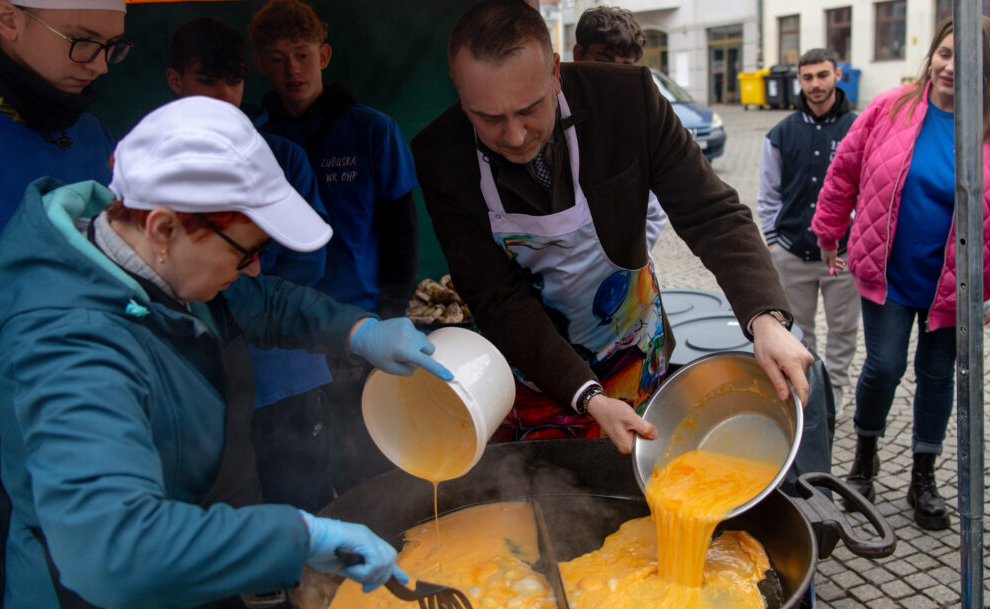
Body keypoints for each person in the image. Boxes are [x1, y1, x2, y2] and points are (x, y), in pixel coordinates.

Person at [0, 96, 452, 609]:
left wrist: (361, 331)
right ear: (164, 227)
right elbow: (117, 555)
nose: (257, 268)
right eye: (248, 252)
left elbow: (262, 299)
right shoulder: (71, 347)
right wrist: (301, 535)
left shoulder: (154, 261)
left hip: (196, 558)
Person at [412, 0, 813, 455]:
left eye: (529, 109)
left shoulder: (628, 100)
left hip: (634, 348)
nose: (516, 136)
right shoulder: (439, 154)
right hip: (533, 366)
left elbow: (711, 212)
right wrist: (587, 394)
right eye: (488, 118)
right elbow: (496, 298)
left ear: (556, 71)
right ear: (458, 89)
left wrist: (765, 317)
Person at [0, 0, 128, 609]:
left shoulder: (88, 133)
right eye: (82, 42)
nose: (97, 64)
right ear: (7, 17)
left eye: (114, 47)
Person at [812, 17, 990, 530]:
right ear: (932, 54)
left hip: (952, 286)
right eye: (945, 53)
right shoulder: (891, 106)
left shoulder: (985, 125)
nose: (952, 67)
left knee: (939, 378)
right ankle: (864, 462)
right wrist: (828, 233)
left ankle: (923, 476)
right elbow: (845, 168)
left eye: (967, 60)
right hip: (887, 270)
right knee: (885, 366)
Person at [167, 15, 337, 513]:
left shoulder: (283, 158)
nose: (223, 95)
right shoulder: (151, 162)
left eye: (234, 80)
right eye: (206, 80)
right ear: (175, 79)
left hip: (286, 368)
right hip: (201, 379)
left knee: (306, 506)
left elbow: (311, 263)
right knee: (223, 513)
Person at [248, 0, 421, 491]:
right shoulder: (256, 141)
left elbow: (402, 231)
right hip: (286, 333)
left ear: (324, 55)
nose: (292, 69)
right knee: (301, 463)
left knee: (376, 454)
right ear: (259, 64)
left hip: (362, 323)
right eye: (277, 58)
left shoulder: (372, 129)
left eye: (301, 54)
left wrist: (391, 314)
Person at [758, 48, 860, 418]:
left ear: (837, 75)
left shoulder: (857, 127)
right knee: (800, 333)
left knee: (843, 330)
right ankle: (811, 394)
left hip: (845, 256)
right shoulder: (780, 133)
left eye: (823, 75)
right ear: (799, 81)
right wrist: (772, 242)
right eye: (808, 77)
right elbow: (768, 194)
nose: (816, 84)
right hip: (792, 253)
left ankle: (838, 390)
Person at [572, 5, 668, 251]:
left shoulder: (645, 121)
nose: (612, 76)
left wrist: (626, 261)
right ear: (578, 55)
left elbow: (655, 211)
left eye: (625, 66)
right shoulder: (552, 117)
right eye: (603, 62)